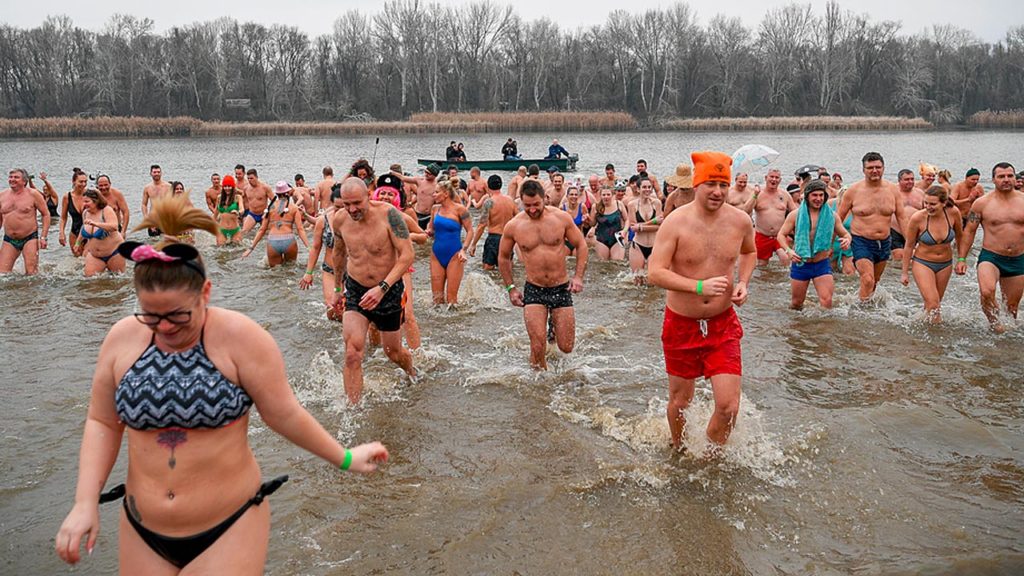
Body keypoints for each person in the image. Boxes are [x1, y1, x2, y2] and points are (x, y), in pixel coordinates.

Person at [54, 195, 389, 572]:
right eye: (151, 315)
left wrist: (345, 457)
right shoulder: (122, 339)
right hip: (142, 529)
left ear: (206, 293)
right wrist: (84, 503)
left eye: (179, 315)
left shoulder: (242, 339)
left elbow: (283, 414)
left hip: (229, 525)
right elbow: (102, 422)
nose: (164, 327)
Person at [648, 151, 755, 450]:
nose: (718, 192)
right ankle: (679, 449)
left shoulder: (740, 221)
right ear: (696, 184)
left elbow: (750, 252)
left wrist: (743, 282)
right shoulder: (675, 223)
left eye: (723, 184)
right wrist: (698, 287)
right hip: (681, 323)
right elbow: (655, 272)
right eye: (711, 184)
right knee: (681, 401)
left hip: (722, 324)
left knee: (728, 407)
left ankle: (708, 459)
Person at [331, 177, 416, 404]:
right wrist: (338, 288)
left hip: (388, 290)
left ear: (369, 194)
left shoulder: (389, 215)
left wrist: (382, 288)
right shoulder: (339, 220)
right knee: (352, 353)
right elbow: (338, 254)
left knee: (393, 353)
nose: (352, 209)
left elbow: (407, 255)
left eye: (357, 203)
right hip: (357, 290)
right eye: (346, 204)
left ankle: (413, 373)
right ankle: (353, 409)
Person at [498, 179, 587, 370]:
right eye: (527, 205)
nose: (531, 210)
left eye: (536, 204)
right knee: (538, 346)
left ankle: (553, 327)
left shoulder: (561, 218)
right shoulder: (514, 226)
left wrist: (578, 276)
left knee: (566, 347)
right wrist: (511, 288)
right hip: (534, 289)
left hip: (560, 287)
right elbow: (504, 257)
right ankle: (540, 388)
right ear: (520, 201)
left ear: (545, 199)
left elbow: (581, 245)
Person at [956, 162, 1024, 333]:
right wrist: (962, 258)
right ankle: (994, 325)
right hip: (991, 257)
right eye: (1001, 176)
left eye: (1010, 176)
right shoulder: (981, 203)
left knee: (1012, 307)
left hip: (1018, 259)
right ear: (993, 179)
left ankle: (1005, 342)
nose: (1006, 179)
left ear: (1015, 178)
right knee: (987, 292)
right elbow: (969, 231)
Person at [837, 152, 908, 301]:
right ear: (863, 170)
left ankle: (858, 303)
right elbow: (838, 218)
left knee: (874, 282)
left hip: (884, 241)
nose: (874, 170)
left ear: (883, 168)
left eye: (878, 167)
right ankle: (861, 314)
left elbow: (901, 217)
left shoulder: (893, 190)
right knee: (868, 279)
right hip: (861, 240)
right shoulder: (853, 191)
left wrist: (910, 242)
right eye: (870, 168)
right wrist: (829, 244)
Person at [372, 175, 428, 349]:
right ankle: (375, 354)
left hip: (402, 270)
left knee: (408, 314)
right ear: (376, 194)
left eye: (390, 194)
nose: (385, 197)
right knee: (373, 318)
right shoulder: (369, 217)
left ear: (396, 197)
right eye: (382, 193)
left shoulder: (403, 218)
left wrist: (406, 236)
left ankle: (416, 353)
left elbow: (423, 237)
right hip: (376, 270)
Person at [776, 180, 851, 309]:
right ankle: (798, 328)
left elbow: (845, 234)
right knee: (796, 303)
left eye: (821, 195)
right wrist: (788, 250)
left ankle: (822, 328)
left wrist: (847, 240)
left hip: (821, 263)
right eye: (814, 195)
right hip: (801, 263)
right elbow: (781, 235)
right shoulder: (796, 215)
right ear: (807, 196)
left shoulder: (832, 216)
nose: (818, 199)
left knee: (827, 301)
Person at [900, 185, 963, 323]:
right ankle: (936, 341)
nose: (928, 207)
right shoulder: (918, 218)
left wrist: (961, 259)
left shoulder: (953, 213)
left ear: (944, 203)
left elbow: (960, 236)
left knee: (933, 304)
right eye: (926, 203)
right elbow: (909, 245)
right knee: (934, 305)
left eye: (933, 204)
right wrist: (904, 272)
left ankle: (922, 329)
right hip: (923, 263)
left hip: (945, 265)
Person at [300, 183, 344, 321]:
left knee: (349, 310)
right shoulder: (322, 220)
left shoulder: (357, 219)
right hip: (330, 270)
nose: (341, 210)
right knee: (333, 308)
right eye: (338, 207)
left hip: (353, 272)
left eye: (344, 206)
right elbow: (315, 247)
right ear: (332, 203)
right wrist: (308, 272)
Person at [427, 177, 472, 305]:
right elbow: (431, 228)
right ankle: (437, 325)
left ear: (446, 194)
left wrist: (464, 250)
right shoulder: (435, 209)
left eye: (436, 192)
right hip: (436, 254)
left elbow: (470, 231)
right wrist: (428, 232)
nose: (433, 194)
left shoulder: (460, 210)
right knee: (437, 300)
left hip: (455, 254)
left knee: (451, 300)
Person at [243, 181, 310, 266]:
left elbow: (262, 229)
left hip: (273, 241)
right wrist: (309, 247)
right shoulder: (293, 207)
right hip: (289, 240)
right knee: (291, 269)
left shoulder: (270, 207)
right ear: (288, 192)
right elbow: (300, 229)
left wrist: (250, 248)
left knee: (275, 272)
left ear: (277, 194)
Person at [1, 168, 50, 275]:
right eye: (10, 177)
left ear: (24, 181)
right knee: (2, 274)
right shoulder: (2, 195)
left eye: (16, 177)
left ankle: (32, 292)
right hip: (9, 239)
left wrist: (43, 237)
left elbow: (46, 214)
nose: (12, 179)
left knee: (31, 273)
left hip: (29, 237)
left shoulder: (34, 194)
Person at [742, 168, 795, 266]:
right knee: (762, 265)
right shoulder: (757, 193)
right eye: (771, 177)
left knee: (786, 259)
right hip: (762, 236)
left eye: (777, 177)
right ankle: (765, 281)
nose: (774, 179)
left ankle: (785, 281)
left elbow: (795, 213)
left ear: (780, 180)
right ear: (766, 178)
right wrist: (755, 195)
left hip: (780, 235)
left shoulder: (785, 195)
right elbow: (746, 211)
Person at [469, 175, 516, 271]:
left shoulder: (489, 202)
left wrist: (473, 244)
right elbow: (519, 219)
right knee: (507, 269)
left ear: (488, 186)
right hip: (508, 239)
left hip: (494, 239)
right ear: (501, 185)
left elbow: (482, 225)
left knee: (488, 269)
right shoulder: (510, 201)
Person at [77, 188, 126, 276]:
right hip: (94, 255)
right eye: (83, 202)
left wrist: (96, 224)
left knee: (118, 282)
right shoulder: (85, 213)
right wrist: (77, 243)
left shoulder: (106, 210)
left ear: (95, 201)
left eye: (87, 201)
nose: (84, 204)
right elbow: (83, 228)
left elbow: (114, 226)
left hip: (114, 252)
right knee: (89, 282)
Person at [627, 176, 663, 284]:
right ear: (638, 189)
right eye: (644, 187)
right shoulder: (632, 205)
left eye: (649, 187)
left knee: (653, 280)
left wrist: (641, 226)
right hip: (638, 245)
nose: (647, 189)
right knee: (637, 281)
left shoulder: (657, 203)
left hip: (654, 245)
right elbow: (633, 228)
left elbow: (659, 226)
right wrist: (652, 222)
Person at [891, 169, 925, 262]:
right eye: (906, 179)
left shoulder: (920, 193)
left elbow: (926, 212)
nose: (910, 182)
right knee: (898, 257)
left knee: (917, 258)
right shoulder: (892, 192)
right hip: (896, 230)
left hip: (916, 231)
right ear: (899, 180)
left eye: (912, 179)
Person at [393, 164, 439, 230]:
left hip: (430, 215)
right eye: (425, 172)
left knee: (428, 235)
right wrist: (392, 172)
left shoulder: (438, 185)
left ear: (435, 175)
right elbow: (403, 178)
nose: (426, 174)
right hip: (418, 213)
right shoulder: (419, 180)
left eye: (429, 173)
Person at [589, 187, 627, 260]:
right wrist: (588, 219)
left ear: (612, 195)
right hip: (601, 239)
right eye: (604, 195)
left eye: (608, 194)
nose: (606, 197)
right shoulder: (596, 207)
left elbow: (627, 220)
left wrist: (624, 231)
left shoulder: (619, 204)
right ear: (600, 196)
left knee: (618, 262)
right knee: (603, 264)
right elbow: (592, 224)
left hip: (617, 238)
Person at [60, 169, 88, 255]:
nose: (83, 184)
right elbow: (63, 218)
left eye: (85, 181)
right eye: (81, 182)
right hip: (74, 233)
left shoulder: (91, 194)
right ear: (73, 181)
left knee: (88, 260)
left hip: (90, 234)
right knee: (77, 261)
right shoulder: (67, 197)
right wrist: (61, 233)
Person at [141, 165, 172, 238]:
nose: (157, 174)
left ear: (161, 173)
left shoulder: (168, 186)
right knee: (153, 243)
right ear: (151, 173)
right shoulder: (147, 188)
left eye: (158, 172)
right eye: (154, 172)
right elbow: (144, 204)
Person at [241, 169, 274, 235]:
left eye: (252, 178)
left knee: (268, 234)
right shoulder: (246, 188)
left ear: (256, 177)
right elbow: (242, 200)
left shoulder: (265, 188)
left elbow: (274, 201)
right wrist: (242, 212)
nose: (250, 180)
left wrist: (267, 212)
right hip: (252, 214)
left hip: (264, 214)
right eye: (248, 178)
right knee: (243, 232)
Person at [559, 185, 589, 255]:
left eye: (576, 194)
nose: (574, 196)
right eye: (571, 194)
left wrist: (586, 221)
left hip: (578, 240)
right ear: (567, 196)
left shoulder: (582, 207)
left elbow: (587, 226)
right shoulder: (562, 208)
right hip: (566, 241)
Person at [214, 176, 244, 246]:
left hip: (235, 230)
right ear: (223, 187)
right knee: (221, 252)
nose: (227, 188)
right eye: (225, 186)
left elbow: (242, 209)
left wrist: (238, 212)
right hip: (222, 230)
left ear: (233, 187)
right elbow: (215, 213)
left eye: (229, 186)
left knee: (237, 252)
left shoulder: (237, 197)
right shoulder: (219, 198)